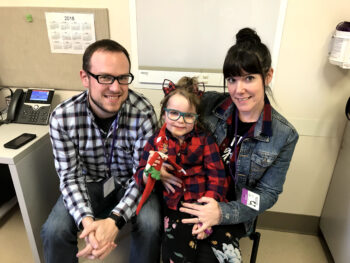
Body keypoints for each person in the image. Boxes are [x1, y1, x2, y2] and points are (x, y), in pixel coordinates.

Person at [179, 28, 299, 262]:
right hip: (193, 195)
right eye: (232, 79)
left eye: (249, 78)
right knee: (178, 246)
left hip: (233, 210)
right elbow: (174, 111)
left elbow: (266, 194)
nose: (238, 89)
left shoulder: (284, 135)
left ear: (268, 76)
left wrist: (222, 213)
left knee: (208, 256)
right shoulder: (210, 105)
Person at [40, 39, 161, 263]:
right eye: (105, 77)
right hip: (90, 181)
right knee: (53, 230)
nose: (116, 87)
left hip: (130, 181)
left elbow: (142, 175)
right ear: (85, 78)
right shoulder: (62, 118)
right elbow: (70, 177)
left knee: (152, 224)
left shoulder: (143, 112)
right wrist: (87, 221)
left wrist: (114, 220)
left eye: (123, 78)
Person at [134, 78, 237, 262]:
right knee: (176, 251)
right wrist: (154, 172)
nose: (181, 121)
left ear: (196, 118)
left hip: (206, 203)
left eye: (188, 116)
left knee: (227, 251)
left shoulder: (205, 139)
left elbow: (217, 176)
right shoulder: (156, 142)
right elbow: (142, 172)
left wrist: (208, 209)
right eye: (174, 113)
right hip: (176, 207)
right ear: (164, 114)